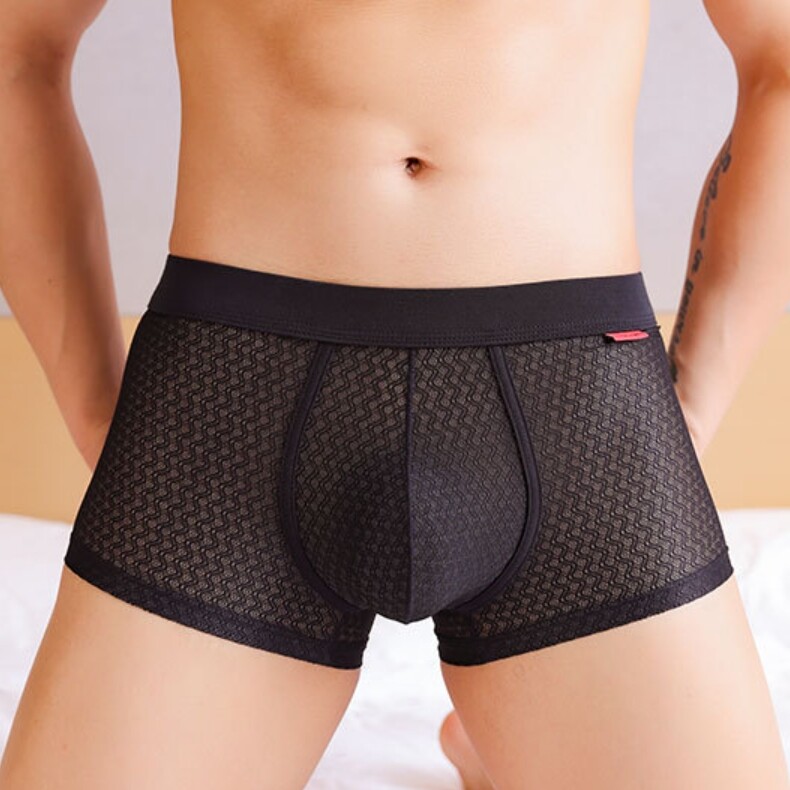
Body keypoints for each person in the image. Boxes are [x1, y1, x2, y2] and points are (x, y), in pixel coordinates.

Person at [0, 0, 788, 787]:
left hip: (570, 391)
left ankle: (517, 728)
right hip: (237, 387)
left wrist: (686, 415)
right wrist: (95, 411)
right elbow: (17, 50)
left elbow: (780, 60)